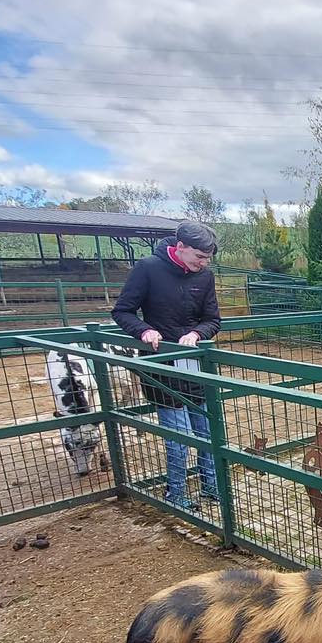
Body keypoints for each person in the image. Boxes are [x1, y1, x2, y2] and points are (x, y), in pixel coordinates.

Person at [111, 219, 221, 513]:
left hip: (195, 363)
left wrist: (197, 334)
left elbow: (213, 319)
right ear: (180, 247)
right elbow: (122, 311)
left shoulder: (205, 277)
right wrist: (144, 331)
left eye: (207, 258)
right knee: (178, 437)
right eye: (199, 256)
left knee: (208, 431)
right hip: (162, 365)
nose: (204, 263)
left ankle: (212, 485)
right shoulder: (148, 268)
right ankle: (176, 492)